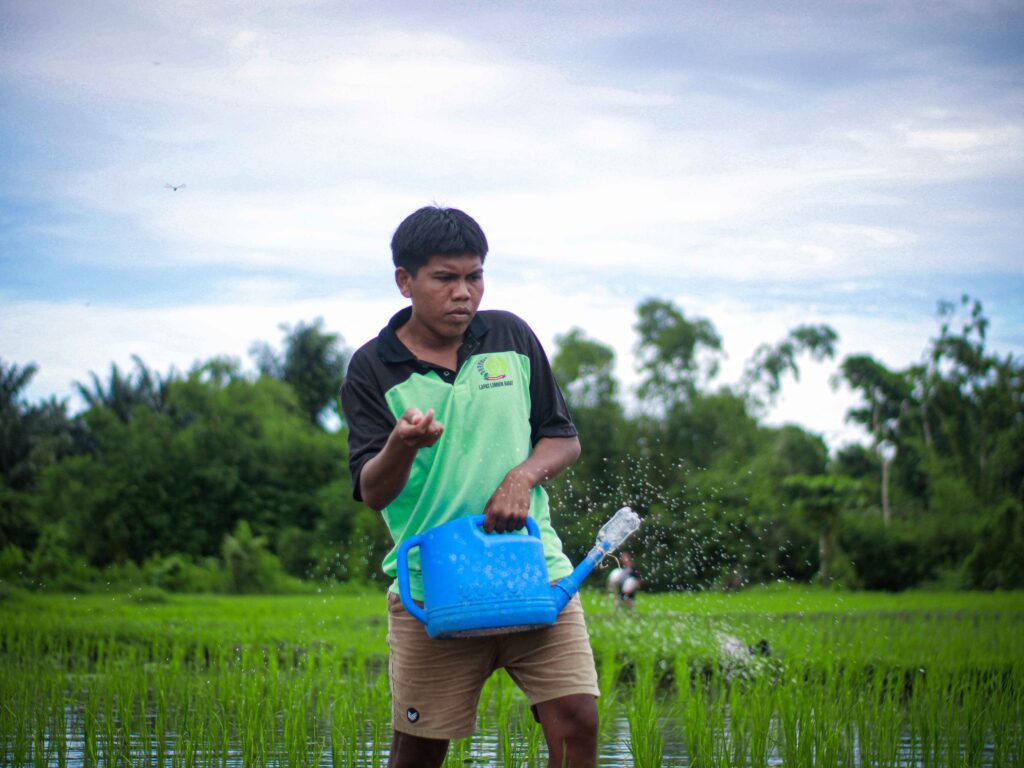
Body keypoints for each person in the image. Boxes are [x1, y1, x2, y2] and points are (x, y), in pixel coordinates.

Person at [340, 206, 600, 768]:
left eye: (474, 276)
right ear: (405, 281)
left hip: (533, 567)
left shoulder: (510, 335)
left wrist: (520, 476)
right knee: (419, 752)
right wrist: (402, 444)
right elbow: (373, 489)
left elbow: (562, 438)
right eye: (445, 278)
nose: (464, 292)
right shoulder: (372, 368)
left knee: (578, 721)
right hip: (433, 586)